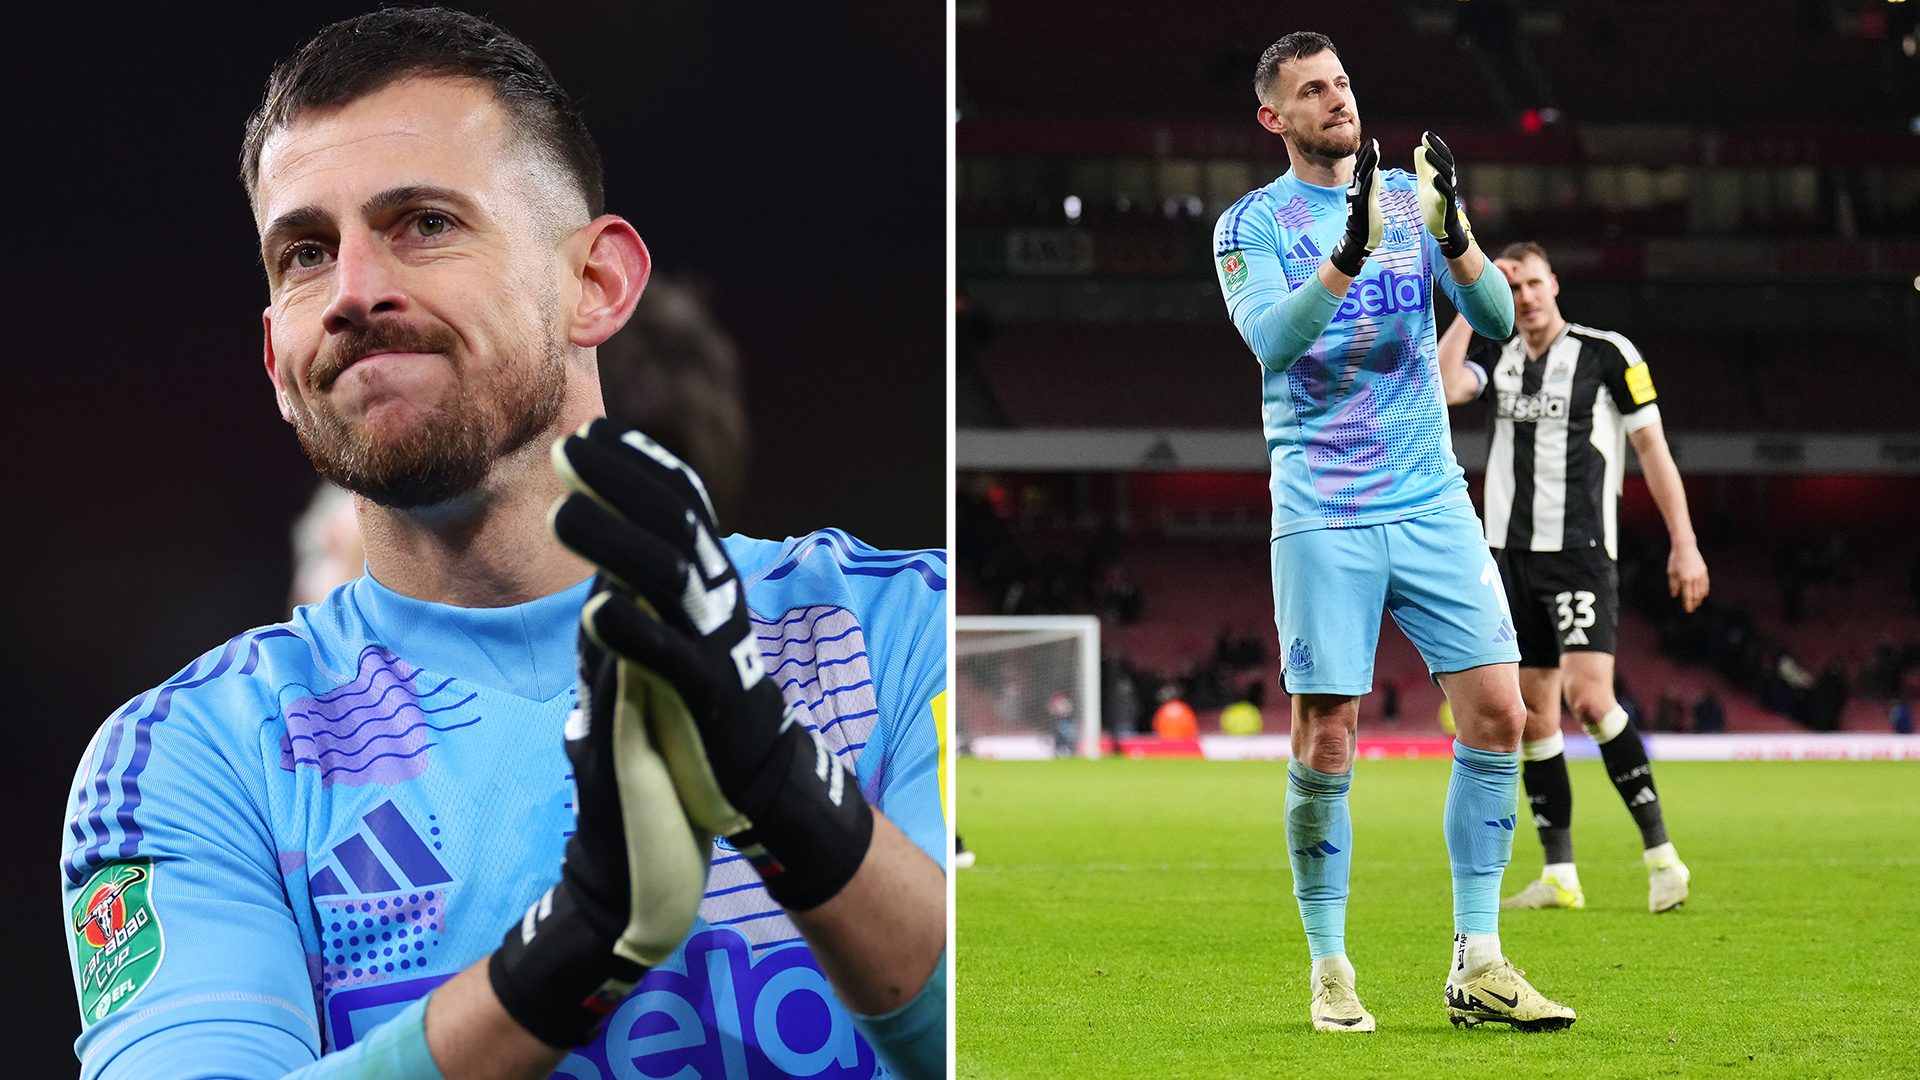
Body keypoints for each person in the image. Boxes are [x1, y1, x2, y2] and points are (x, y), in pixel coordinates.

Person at [59, 10, 946, 1080]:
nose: (351, 293)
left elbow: (1038, 1030)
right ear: (273, 355)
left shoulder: (904, 633)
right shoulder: (193, 756)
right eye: (304, 252)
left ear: (597, 284)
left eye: (424, 223)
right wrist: (573, 949)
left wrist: (782, 787)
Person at [1213, 31, 1573, 1033]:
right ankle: (1331, 965)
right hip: (1323, 507)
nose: (1336, 100)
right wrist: (1351, 250)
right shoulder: (1252, 225)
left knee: (1500, 713)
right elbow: (1275, 342)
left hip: (1430, 499)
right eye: (1310, 91)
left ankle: (1480, 959)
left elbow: (1496, 320)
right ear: (1272, 117)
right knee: (1329, 733)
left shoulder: (1415, 208)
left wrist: (1451, 226)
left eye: (1341, 82)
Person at [1438, 240, 1710, 915]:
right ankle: (1560, 874)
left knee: (1590, 699)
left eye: (1531, 283)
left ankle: (1662, 857)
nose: (1523, 297)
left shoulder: (1606, 353)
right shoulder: (1498, 357)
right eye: (1510, 285)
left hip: (1583, 552)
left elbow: (1653, 450)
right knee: (1533, 716)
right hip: (1510, 558)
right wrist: (1475, 300)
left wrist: (1685, 543)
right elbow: (1443, 386)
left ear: (1554, 284)